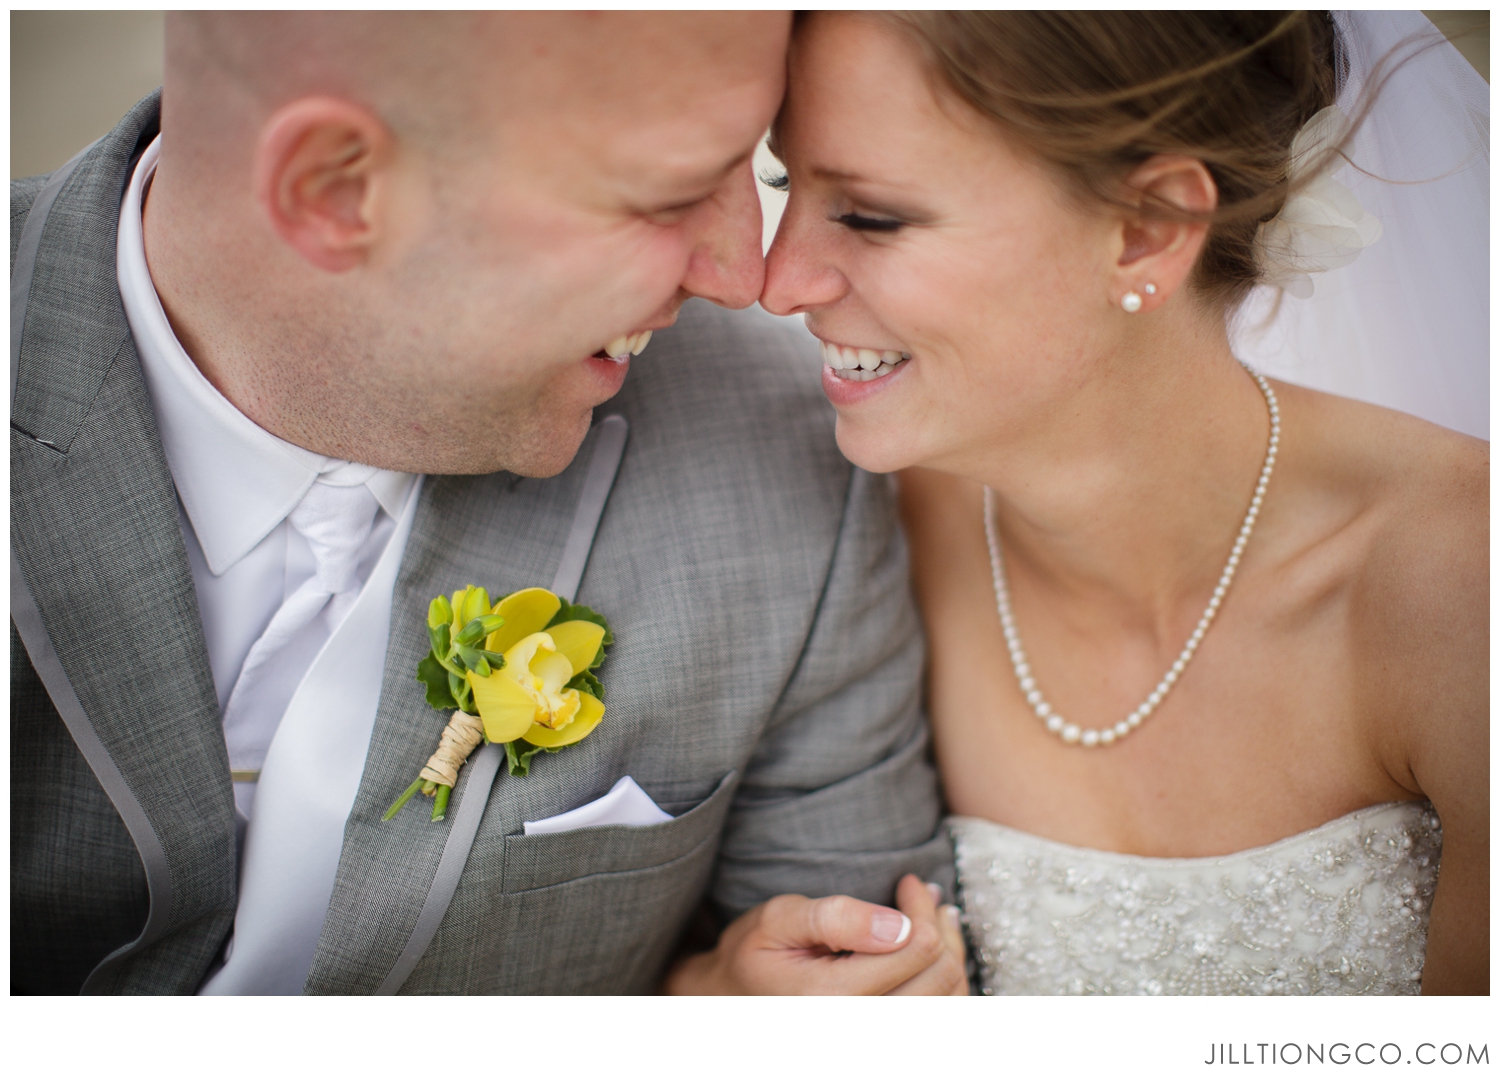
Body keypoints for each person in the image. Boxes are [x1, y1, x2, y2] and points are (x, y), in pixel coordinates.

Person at [11, 12, 965, 995]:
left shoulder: (783, 441)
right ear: (335, 189)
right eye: (671, 194)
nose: (744, 276)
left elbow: (867, 998)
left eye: (752, 168)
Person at [761, 10, 1487, 994]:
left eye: (871, 214)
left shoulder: (1457, 585)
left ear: (1149, 229)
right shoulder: (850, 529)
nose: (779, 280)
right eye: (782, 181)